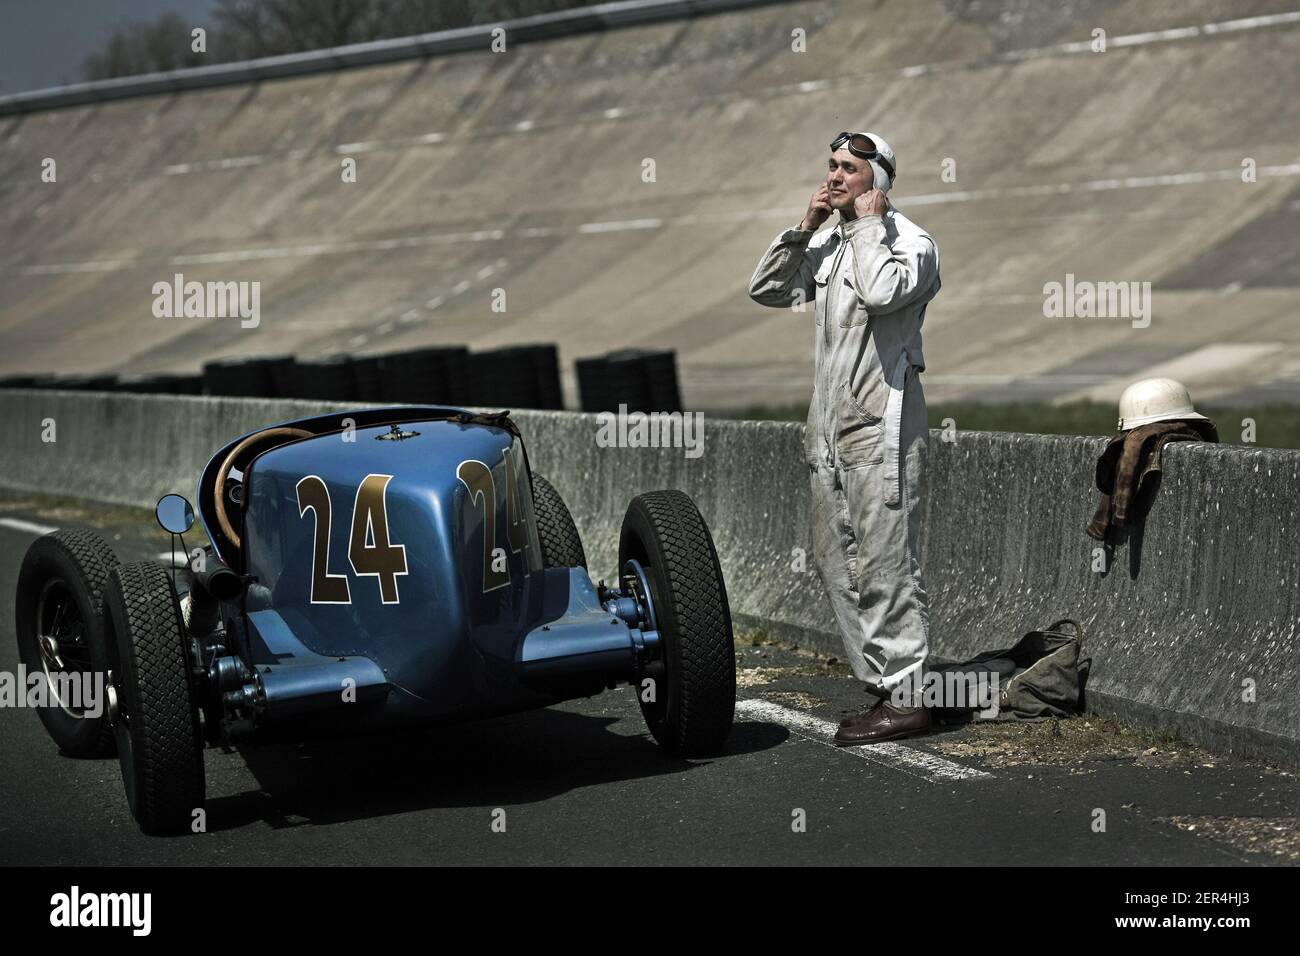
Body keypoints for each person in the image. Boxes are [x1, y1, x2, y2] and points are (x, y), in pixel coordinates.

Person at [748, 131, 941, 744]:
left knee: (885, 563)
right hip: (828, 430)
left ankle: (908, 695)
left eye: (849, 168)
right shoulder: (829, 242)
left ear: (876, 181)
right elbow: (769, 289)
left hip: (880, 428)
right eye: (830, 165)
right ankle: (884, 685)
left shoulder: (912, 244)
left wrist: (863, 227)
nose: (834, 176)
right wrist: (805, 226)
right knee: (837, 561)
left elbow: (884, 293)